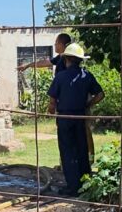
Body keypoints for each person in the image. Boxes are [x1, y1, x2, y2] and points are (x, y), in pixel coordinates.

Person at [18, 32, 95, 163]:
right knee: (65, 133)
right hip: (63, 102)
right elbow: (46, 62)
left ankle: (90, 157)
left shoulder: (70, 62)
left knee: (83, 129)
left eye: (56, 43)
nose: (54, 45)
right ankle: (65, 161)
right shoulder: (60, 59)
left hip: (76, 100)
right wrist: (28, 65)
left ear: (62, 44)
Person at [48, 43, 104, 197]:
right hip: (80, 117)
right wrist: (87, 104)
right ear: (80, 60)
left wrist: (51, 111)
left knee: (67, 152)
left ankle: (72, 188)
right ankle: (85, 184)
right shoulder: (87, 75)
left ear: (66, 59)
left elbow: (52, 102)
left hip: (65, 118)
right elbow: (100, 95)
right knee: (81, 150)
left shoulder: (60, 77)